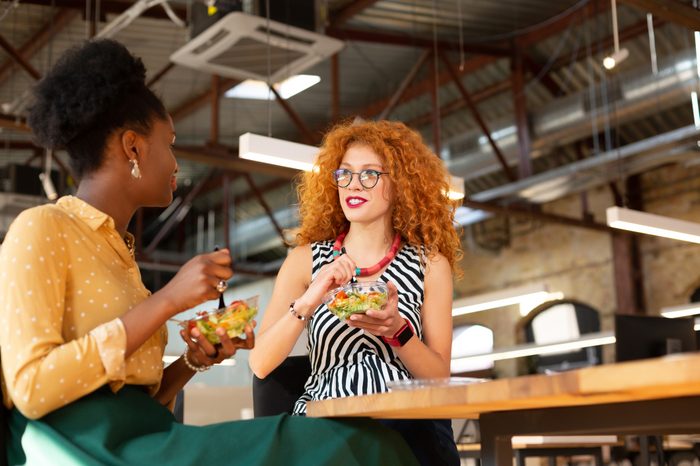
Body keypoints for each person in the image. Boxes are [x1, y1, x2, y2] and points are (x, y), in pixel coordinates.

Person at [0, 39, 419, 466]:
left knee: (365, 442)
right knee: (357, 446)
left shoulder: (120, 256)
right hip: (84, 451)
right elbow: (32, 389)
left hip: (144, 438)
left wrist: (193, 360)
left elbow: (145, 402)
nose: (176, 163)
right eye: (170, 142)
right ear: (133, 147)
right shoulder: (42, 227)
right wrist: (168, 301)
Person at [249, 119, 463, 466]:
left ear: (399, 185)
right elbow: (259, 364)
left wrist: (398, 331)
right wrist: (309, 299)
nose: (353, 184)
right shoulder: (305, 261)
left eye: (369, 174)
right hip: (325, 422)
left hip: (406, 421)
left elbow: (439, 378)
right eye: (344, 174)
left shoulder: (429, 265)